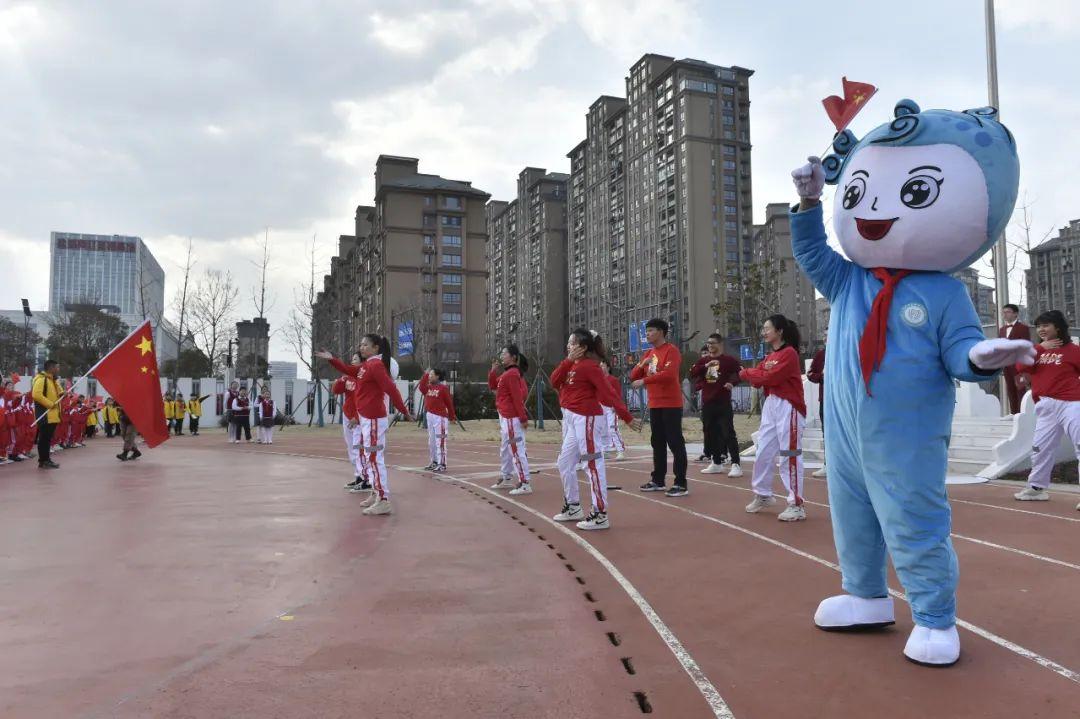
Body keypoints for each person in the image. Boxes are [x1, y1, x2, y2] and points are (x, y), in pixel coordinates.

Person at [550, 330, 641, 530]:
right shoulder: (571, 365)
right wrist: (567, 361)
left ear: (583, 347)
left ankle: (600, 513)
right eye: (568, 342)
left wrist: (626, 416)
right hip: (573, 419)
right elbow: (554, 381)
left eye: (572, 343)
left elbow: (609, 394)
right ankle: (573, 506)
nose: (568, 346)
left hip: (587, 417)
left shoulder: (591, 367)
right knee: (564, 462)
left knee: (591, 463)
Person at [317, 336, 412, 516]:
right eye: (360, 344)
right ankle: (376, 493)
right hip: (367, 418)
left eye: (365, 345)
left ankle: (383, 500)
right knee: (369, 457)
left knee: (375, 458)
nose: (361, 347)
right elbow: (348, 369)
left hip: (374, 419)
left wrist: (404, 411)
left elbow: (390, 388)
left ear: (376, 348)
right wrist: (332, 359)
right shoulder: (366, 366)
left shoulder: (375, 366)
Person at [740, 315, 807, 521]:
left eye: (767, 328)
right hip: (771, 405)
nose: (764, 332)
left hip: (789, 406)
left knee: (789, 453)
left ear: (780, 331)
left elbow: (769, 377)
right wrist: (755, 375)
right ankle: (763, 494)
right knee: (763, 451)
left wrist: (747, 373)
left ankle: (796, 504)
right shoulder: (769, 357)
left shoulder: (790, 354)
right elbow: (758, 381)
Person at [1012, 311, 1080, 511]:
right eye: (1039, 326)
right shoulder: (1036, 350)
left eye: (1046, 325)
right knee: (1040, 447)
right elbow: (1019, 366)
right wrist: (1040, 348)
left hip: (1071, 403)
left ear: (1058, 327)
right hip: (1045, 406)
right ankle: (1037, 488)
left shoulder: (1073, 350)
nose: (1041, 329)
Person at [630, 318, 689, 497]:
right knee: (657, 442)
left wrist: (645, 380)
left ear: (661, 332)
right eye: (646, 331)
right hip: (655, 403)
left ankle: (680, 483)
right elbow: (633, 375)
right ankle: (658, 479)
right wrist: (643, 364)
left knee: (675, 441)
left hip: (670, 403)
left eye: (651, 330)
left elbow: (669, 375)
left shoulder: (672, 351)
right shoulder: (649, 352)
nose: (647, 334)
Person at [691, 334, 744, 477]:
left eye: (712, 343)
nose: (709, 345)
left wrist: (732, 383)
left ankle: (736, 464)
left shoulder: (728, 360)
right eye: (708, 343)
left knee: (728, 433)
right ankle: (716, 463)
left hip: (723, 402)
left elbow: (741, 373)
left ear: (720, 344)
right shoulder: (704, 360)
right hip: (707, 403)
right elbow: (693, 372)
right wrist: (704, 366)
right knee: (710, 433)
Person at [488, 344, 531, 494]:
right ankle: (507, 477)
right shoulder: (506, 374)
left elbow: (518, 397)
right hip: (506, 417)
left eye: (504, 353)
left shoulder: (512, 374)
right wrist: (493, 371)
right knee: (506, 449)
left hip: (512, 417)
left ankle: (525, 482)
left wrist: (523, 417)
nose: (501, 355)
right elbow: (493, 385)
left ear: (513, 357)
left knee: (516, 450)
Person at [331, 354, 369, 491]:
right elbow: (335, 391)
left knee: (359, 447)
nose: (352, 361)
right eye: (352, 359)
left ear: (362, 362)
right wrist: (340, 380)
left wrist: (357, 417)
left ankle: (367, 478)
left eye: (355, 359)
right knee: (351, 447)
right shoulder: (347, 377)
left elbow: (366, 400)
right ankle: (358, 475)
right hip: (347, 414)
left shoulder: (364, 377)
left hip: (359, 416)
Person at [419, 368, 457, 472]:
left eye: (432, 374)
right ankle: (434, 461)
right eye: (429, 374)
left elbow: (449, 403)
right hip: (430, 416)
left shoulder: (443, 388)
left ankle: (442, 463)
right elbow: (421, 387)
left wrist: (452, 417)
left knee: (440, 441)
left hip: (440, 418)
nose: (430, 376)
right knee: (431, 441)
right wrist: (425, 374)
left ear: (437, 376)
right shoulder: (428, 387)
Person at [999, 304, 1031, 415]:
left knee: (1020, 388)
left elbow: (1026, 346)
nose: (1004, 314)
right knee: (1010, 388)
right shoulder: (1002, 330)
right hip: (1006, 364)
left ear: (1015, 313)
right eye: (1003, 312)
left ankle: (1021, 414)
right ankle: (1013, 414)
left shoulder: (1023, 328)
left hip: (1019, 364)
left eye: (1007, 312)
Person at [31, 359, 62, 469]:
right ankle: (43, 461)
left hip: (52, 415)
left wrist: (63, 393)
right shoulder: (41, 379)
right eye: (57, 367)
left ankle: (46, 459)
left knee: (47, 439)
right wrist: (50, 404)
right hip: (45, 414)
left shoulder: (52, 380)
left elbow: (57, 393)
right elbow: (36, 395)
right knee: (44, 439)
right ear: (51, 368)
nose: (58, 369)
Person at [807, 330, 827, 478]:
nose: (825, 338)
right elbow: (810, 374)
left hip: (847, 401)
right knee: (827, 434)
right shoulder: (821, 355)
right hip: (826, 401)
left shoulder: (846, 350)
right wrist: (822, 376)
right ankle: (827, 465)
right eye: (824, 336)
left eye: (828, 335)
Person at [599, 360, 627, 461]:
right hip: (601, 408)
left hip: (611, 408)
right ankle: (605, 450)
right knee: (602, 430)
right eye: (600, 366)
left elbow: (618, 394)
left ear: (608, 368)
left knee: (613, 429)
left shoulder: (613, 380)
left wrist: (616, 406)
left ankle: (620, 450)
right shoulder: (598, 380)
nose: (601, 368)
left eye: (603, 366)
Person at [694, 345, 711, 463]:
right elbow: (695, 375)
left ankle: (723, 453)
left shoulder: (715, 364)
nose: (705, 355)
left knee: (720, 428)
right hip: (704, 399)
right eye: (703, 353)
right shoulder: (701, 365)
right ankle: (707, 452)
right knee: (707, 427)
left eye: (707, 353)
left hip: (715, 399)